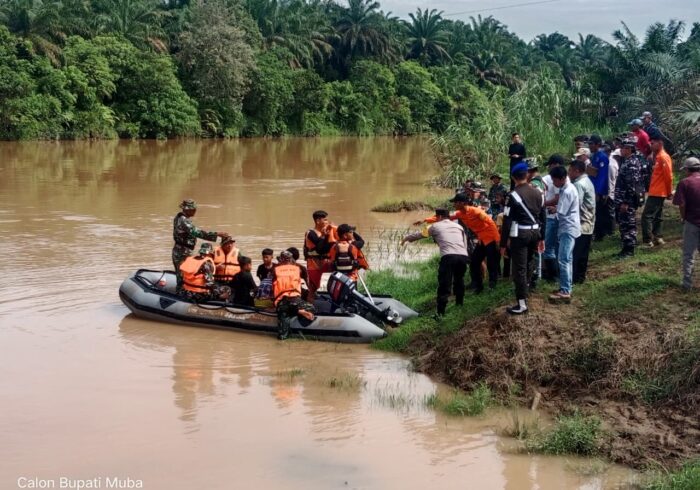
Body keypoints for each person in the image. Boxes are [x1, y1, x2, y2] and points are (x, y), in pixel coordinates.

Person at [415, 193, 500, 294]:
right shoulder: (460, 213)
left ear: (462, 203)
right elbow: (445, 217)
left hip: (491, 238)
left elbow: (491, 223)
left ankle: (492, 284)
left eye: (455, 202)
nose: (454, 204)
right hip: (481, 239)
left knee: (491, 262)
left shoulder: (476, 211)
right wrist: (425, 220)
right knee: (474, 262)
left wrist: (497, 240)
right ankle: (477, 285)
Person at [402, 208, 469, 318]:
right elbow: (464, 243)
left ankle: (440, 313)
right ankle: (459, 304)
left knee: (444, 284)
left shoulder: (435, 226)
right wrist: (465, 257)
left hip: (448, 256)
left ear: (440, 217)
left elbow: (420, 235)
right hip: (463, 256)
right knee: (459, 280)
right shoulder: (459, 226)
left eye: (436, 217)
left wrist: (406, 238)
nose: (436, 219)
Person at [500, 163, 545, 315]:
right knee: (530, 263)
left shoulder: (512, 195)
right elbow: (543, 215)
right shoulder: (538, 192)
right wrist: (542, 237)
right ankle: (526, 290)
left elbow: (507, 221)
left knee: (519, 268)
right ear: (527, 175)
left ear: (513, 177)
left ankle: (521, 304)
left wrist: (503, 244)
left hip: (520, 234)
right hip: (535, 232)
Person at [172, 199, 228, 290]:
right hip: (182, 252)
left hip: (182, 250)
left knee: (182, 274)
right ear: (187, 209)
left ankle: (183, 290)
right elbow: (197, 233)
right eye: (193, 209)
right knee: (183, 274)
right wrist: (216, 234)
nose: (195, 211)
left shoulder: (180, 217)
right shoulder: (183, 221)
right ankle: (181, 292)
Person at [548, 165, 580, 302]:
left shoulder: (567, 191)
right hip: (568, 227)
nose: (553, 183)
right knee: (568, 259)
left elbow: (561, 212)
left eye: (555, 180)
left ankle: (565, 291)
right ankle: (566, 286)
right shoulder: (566, 188)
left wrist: (553, 210)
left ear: (562, 178)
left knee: (563, 259)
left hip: (568, 228)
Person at [272, 251, 315, 340]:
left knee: (282, 335)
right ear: (291, 259)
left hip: (282, 302)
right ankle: (298, 311)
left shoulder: (275, 270)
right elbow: (308, 285)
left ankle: (295, 312)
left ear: (281, 259)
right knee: (312, 308)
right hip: (296, 300)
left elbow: (272, 287)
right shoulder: (299, 269)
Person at [672, 157, 700, 291]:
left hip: (692, 222)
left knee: (689, 254)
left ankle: (687, 284)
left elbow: (681, 204)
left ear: (688, 169)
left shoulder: (685, 183)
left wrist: (683, 217)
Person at [641, 135, 674, 247]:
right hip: (656, 191)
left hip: (658, 192)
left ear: (660, 143)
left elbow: (668, 176)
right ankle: (658, 237)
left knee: (646, 216)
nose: (651, 145)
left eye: (653, 143)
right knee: (657, 215)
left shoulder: (663, 157)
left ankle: (647, 241)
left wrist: (669, 192)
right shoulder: (658, 157)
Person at [614, 137, 644, 258]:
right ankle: (625, 248)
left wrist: (626, 202)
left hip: (627, 201)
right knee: (623, 224)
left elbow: (631, 185)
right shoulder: (627, 161)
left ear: (629, 149)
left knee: (628, 224)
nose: (621, 150)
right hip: (622, 199)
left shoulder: (632, 163)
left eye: (623, 148)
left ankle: (629, 250)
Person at [569, 160, 596, 284]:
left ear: (577, 171)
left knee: (576, 252)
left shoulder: (578, 184)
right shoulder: (587, 180)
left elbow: (576, 204)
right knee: (583, 252)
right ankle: (580, 276)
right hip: (589, 221)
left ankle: (575, 277)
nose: (569, 173)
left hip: (581, 222)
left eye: (570, 170)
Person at [303, 210, 338, 300]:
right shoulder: (311, 233)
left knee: (334, 285)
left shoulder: (327, 232)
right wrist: (324, 236)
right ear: (318, 221)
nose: (327, 222)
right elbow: (320, 248)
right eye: (325, 220)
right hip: (314, 265)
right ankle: (309, 306)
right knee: (313, 289)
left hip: (327, 263)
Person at [542, 154, 565, 281]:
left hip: (552, 216)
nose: (549, 168)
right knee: (555, 246)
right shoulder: (560, 178)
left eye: (550, 165)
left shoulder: (552, 179)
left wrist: (542, 203)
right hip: (555, 215)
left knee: (549, 247)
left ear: (555, 165)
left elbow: (557, 198)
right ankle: (556, 272)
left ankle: (553, 275)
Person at [586, 135, 611, 241]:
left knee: (599, 212)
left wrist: (598, 192)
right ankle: (597, 232)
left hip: (598, 190)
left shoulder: (602, 157)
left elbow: (602, 176)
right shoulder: (594, 156)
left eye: (592, 144)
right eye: (589, 144)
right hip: (592, 187)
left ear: (598, 144)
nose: (590, 146)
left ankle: (600, 234)